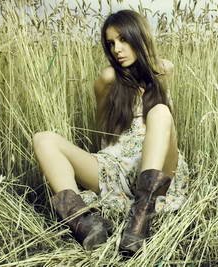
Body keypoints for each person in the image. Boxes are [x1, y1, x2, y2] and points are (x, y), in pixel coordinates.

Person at [32, 9, 189, 254]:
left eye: (124, 39)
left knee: (159, 112)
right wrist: (136, 58)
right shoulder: (108, 81)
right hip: (114, 168)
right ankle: (85, 223)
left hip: (158, 169)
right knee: (43, 139)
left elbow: (166, 65)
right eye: (111, 43)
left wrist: (145, 58)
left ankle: (138, 223)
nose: (117, 49)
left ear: (138, 37)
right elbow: (108, 74)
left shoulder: (159, 78)